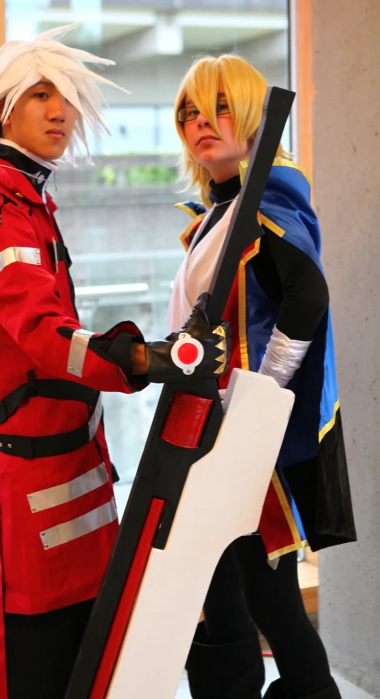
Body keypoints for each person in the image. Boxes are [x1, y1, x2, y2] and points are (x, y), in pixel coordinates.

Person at [0, 24, 229, 699]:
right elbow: (46, 335)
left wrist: (147, 358)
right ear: (2, 109)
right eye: (42, 95)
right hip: (35, 476)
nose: (60, 112)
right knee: (45, 654)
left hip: (75, 461)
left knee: (93, 647)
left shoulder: (27, 201)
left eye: (68, 98)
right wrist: (145, 358)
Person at [168, 54, 356, 699]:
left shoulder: (268, 196)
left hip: (248, 434)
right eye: (189, 112)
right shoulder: (220, 212)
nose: (202, 122)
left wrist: (263, 392)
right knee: (237, 587)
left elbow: (307, 296)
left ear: (251, 116)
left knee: (268, 595)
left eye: (219, 107)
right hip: (216, 426)